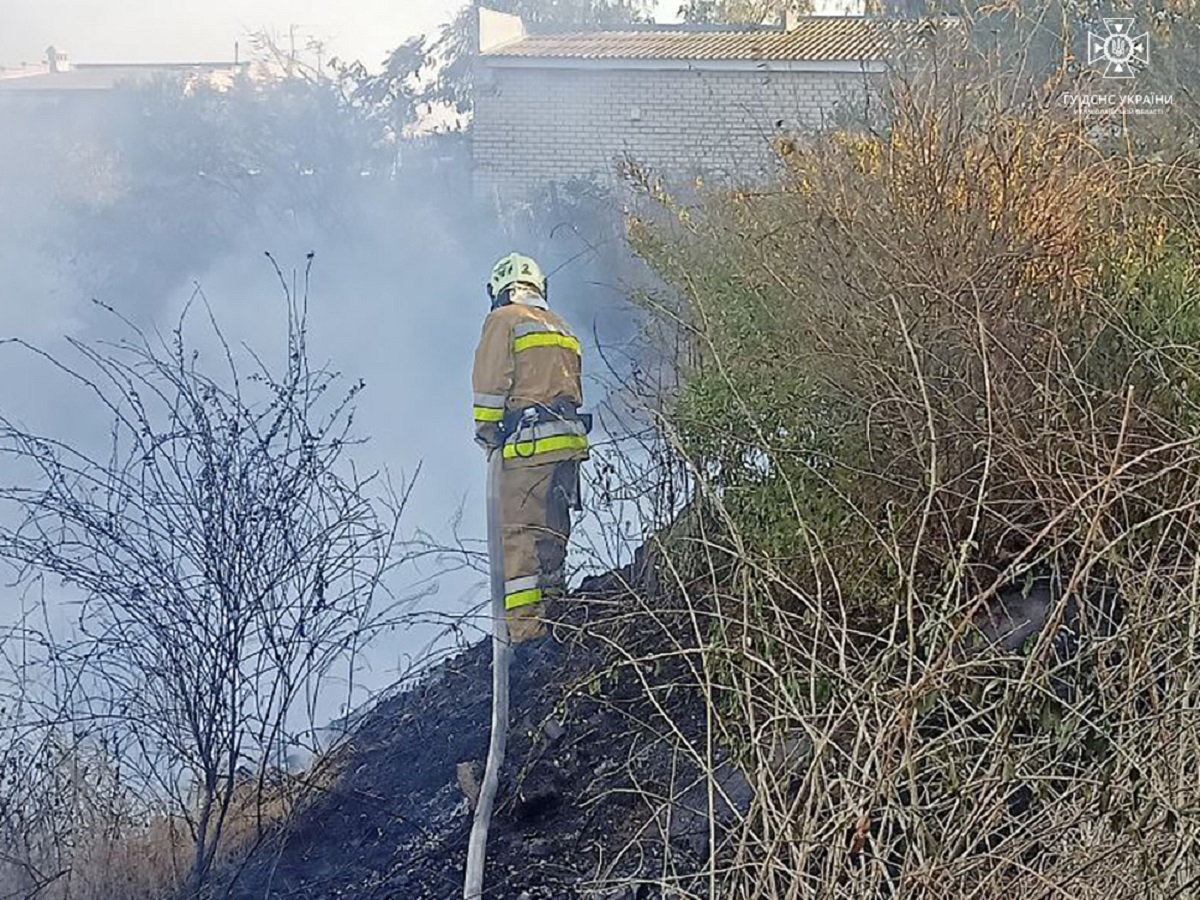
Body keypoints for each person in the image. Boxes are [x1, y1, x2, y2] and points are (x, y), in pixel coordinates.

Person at [472, 253, 590, 644]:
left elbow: (491, 385)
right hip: (568, 444)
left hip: (529, 446)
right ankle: (556, 610)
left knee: (518, 534)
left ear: (498, 290)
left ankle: (525, 632)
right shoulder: (559, 324)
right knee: (552, 532)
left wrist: (488, 433)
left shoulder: (503, 320)